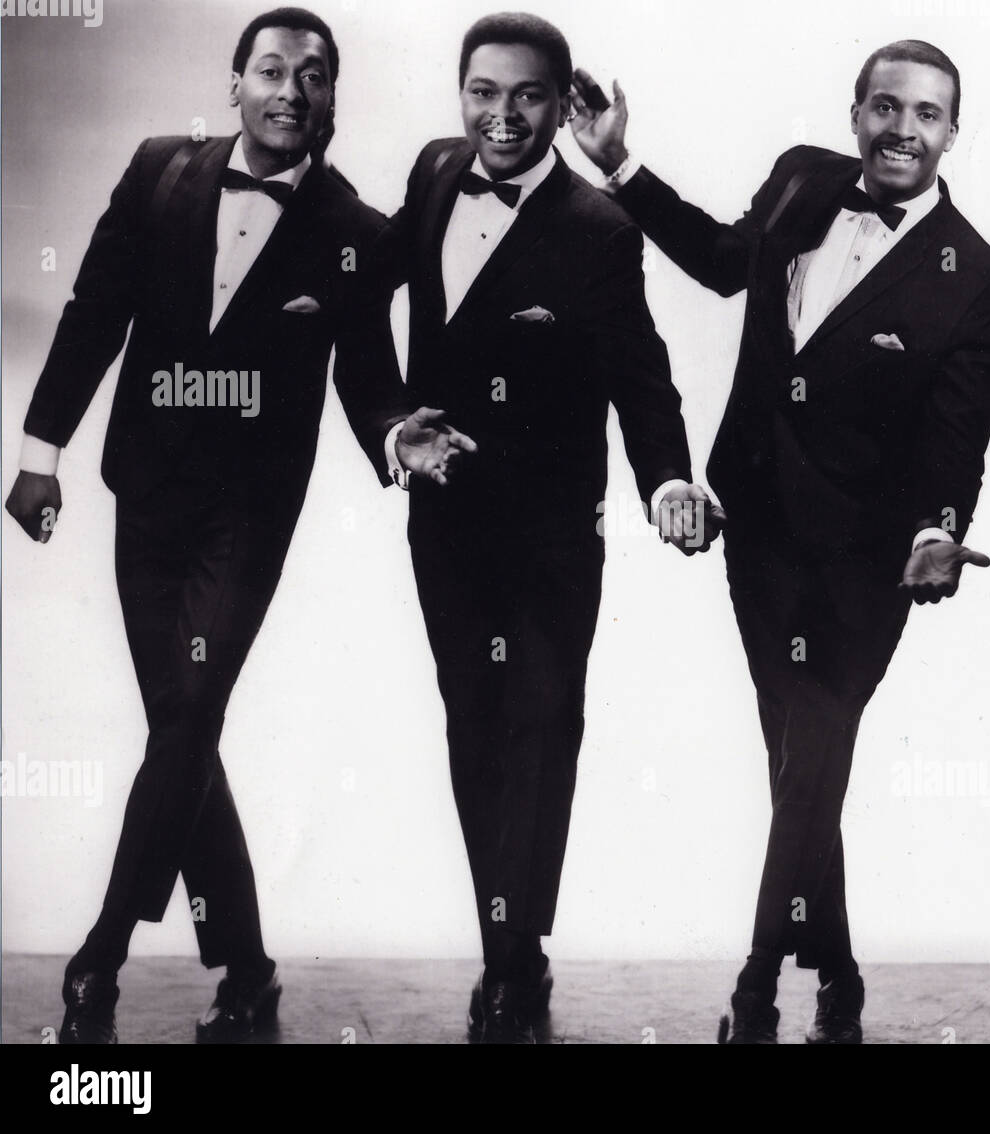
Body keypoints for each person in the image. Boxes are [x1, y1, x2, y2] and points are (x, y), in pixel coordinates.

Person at [5, 6, 452, 1044]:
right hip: (143, 495)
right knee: (185, 730)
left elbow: (369, 373)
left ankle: (100, 953)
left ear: (332, 96)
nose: (291, 90)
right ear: (235, 82)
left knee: (189, 712)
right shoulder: (160, 170)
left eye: (313, 75)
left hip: (245, 519)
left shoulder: (355, 232)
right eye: (271, 69)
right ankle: (247, 970)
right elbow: (92, 311)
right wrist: (40, 454)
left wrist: (395, 437)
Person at [570, 39, 990, 1042]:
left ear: (954, 129)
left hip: (870, 561)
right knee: (800, 767)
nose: (904, 130)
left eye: (928, 115)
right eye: (886, 107)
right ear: (856, 110)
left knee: (811, 757)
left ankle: (757, 983)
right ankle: (842, 977)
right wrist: (618, 165)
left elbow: (957, 441)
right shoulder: (798, 178)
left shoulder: (980, 282)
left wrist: (939, 533)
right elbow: (721, 262)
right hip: (759, 533)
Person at [377, 11, 720, 1044]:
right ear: (460, 93)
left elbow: (642, 376)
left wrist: (668, 478)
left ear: (562, 104)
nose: (502, 115)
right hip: (444, 520)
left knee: (542, 728)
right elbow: (362, 292)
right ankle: (507, 949)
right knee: (473, 730)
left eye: (528, 95)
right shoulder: (436, 172)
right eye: (484, 91)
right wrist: (393, 422)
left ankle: (515, 963)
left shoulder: (597, 229)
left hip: (553, 535)